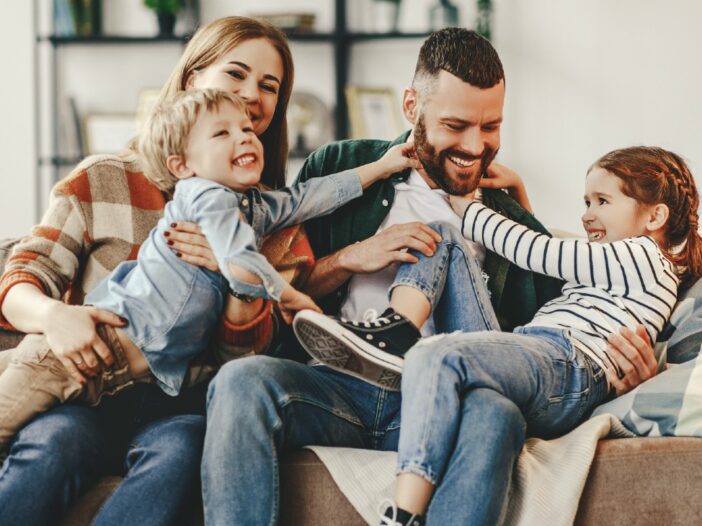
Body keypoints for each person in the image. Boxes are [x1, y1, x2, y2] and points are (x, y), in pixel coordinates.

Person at [198, 27, 660, 524]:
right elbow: (279, 294)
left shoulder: (505, 219)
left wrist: (629, 372)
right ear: (411, 105)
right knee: (241, 381)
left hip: (446, 402)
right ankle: (381, 341)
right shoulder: (343, 166)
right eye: (456, 125)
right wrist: (351, 258)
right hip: (339, 387)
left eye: (490, 127)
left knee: (497, 413)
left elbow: (552, 343)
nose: (475, 146)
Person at [0, 16, 303, 525]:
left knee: (181, 454)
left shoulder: (272, 222)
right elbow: (20, 279)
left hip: (180, 407)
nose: (252, 94)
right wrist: (56, 316)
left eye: (268, 87)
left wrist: (231, 269)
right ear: (191, 81)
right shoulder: (103, 179)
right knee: (53, 445)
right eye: (237, 74)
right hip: (88, 393)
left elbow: (242, 362)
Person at [0, 87, 419, 450]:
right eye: (223, 133)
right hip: (74, 353)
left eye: (247, 130)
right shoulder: (204, 195)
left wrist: (382, 166)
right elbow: (238, 261)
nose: (246, 138)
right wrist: (292, 297)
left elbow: (311, 195)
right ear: (183, 165)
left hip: (118, 379)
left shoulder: (252, 206)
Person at [381, 145, 702, 525]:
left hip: (569, 362)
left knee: (435, 354)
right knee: (488, 411)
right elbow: (551, 265)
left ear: (656, 216)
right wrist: (517, 189)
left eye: (602, 201)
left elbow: (538, 252)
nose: (586, 216)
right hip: (539, 355)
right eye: (586, 202)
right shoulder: (619, 266)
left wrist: (464, 204)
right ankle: (397, 327)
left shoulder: (644, 254)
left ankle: (404, 513)